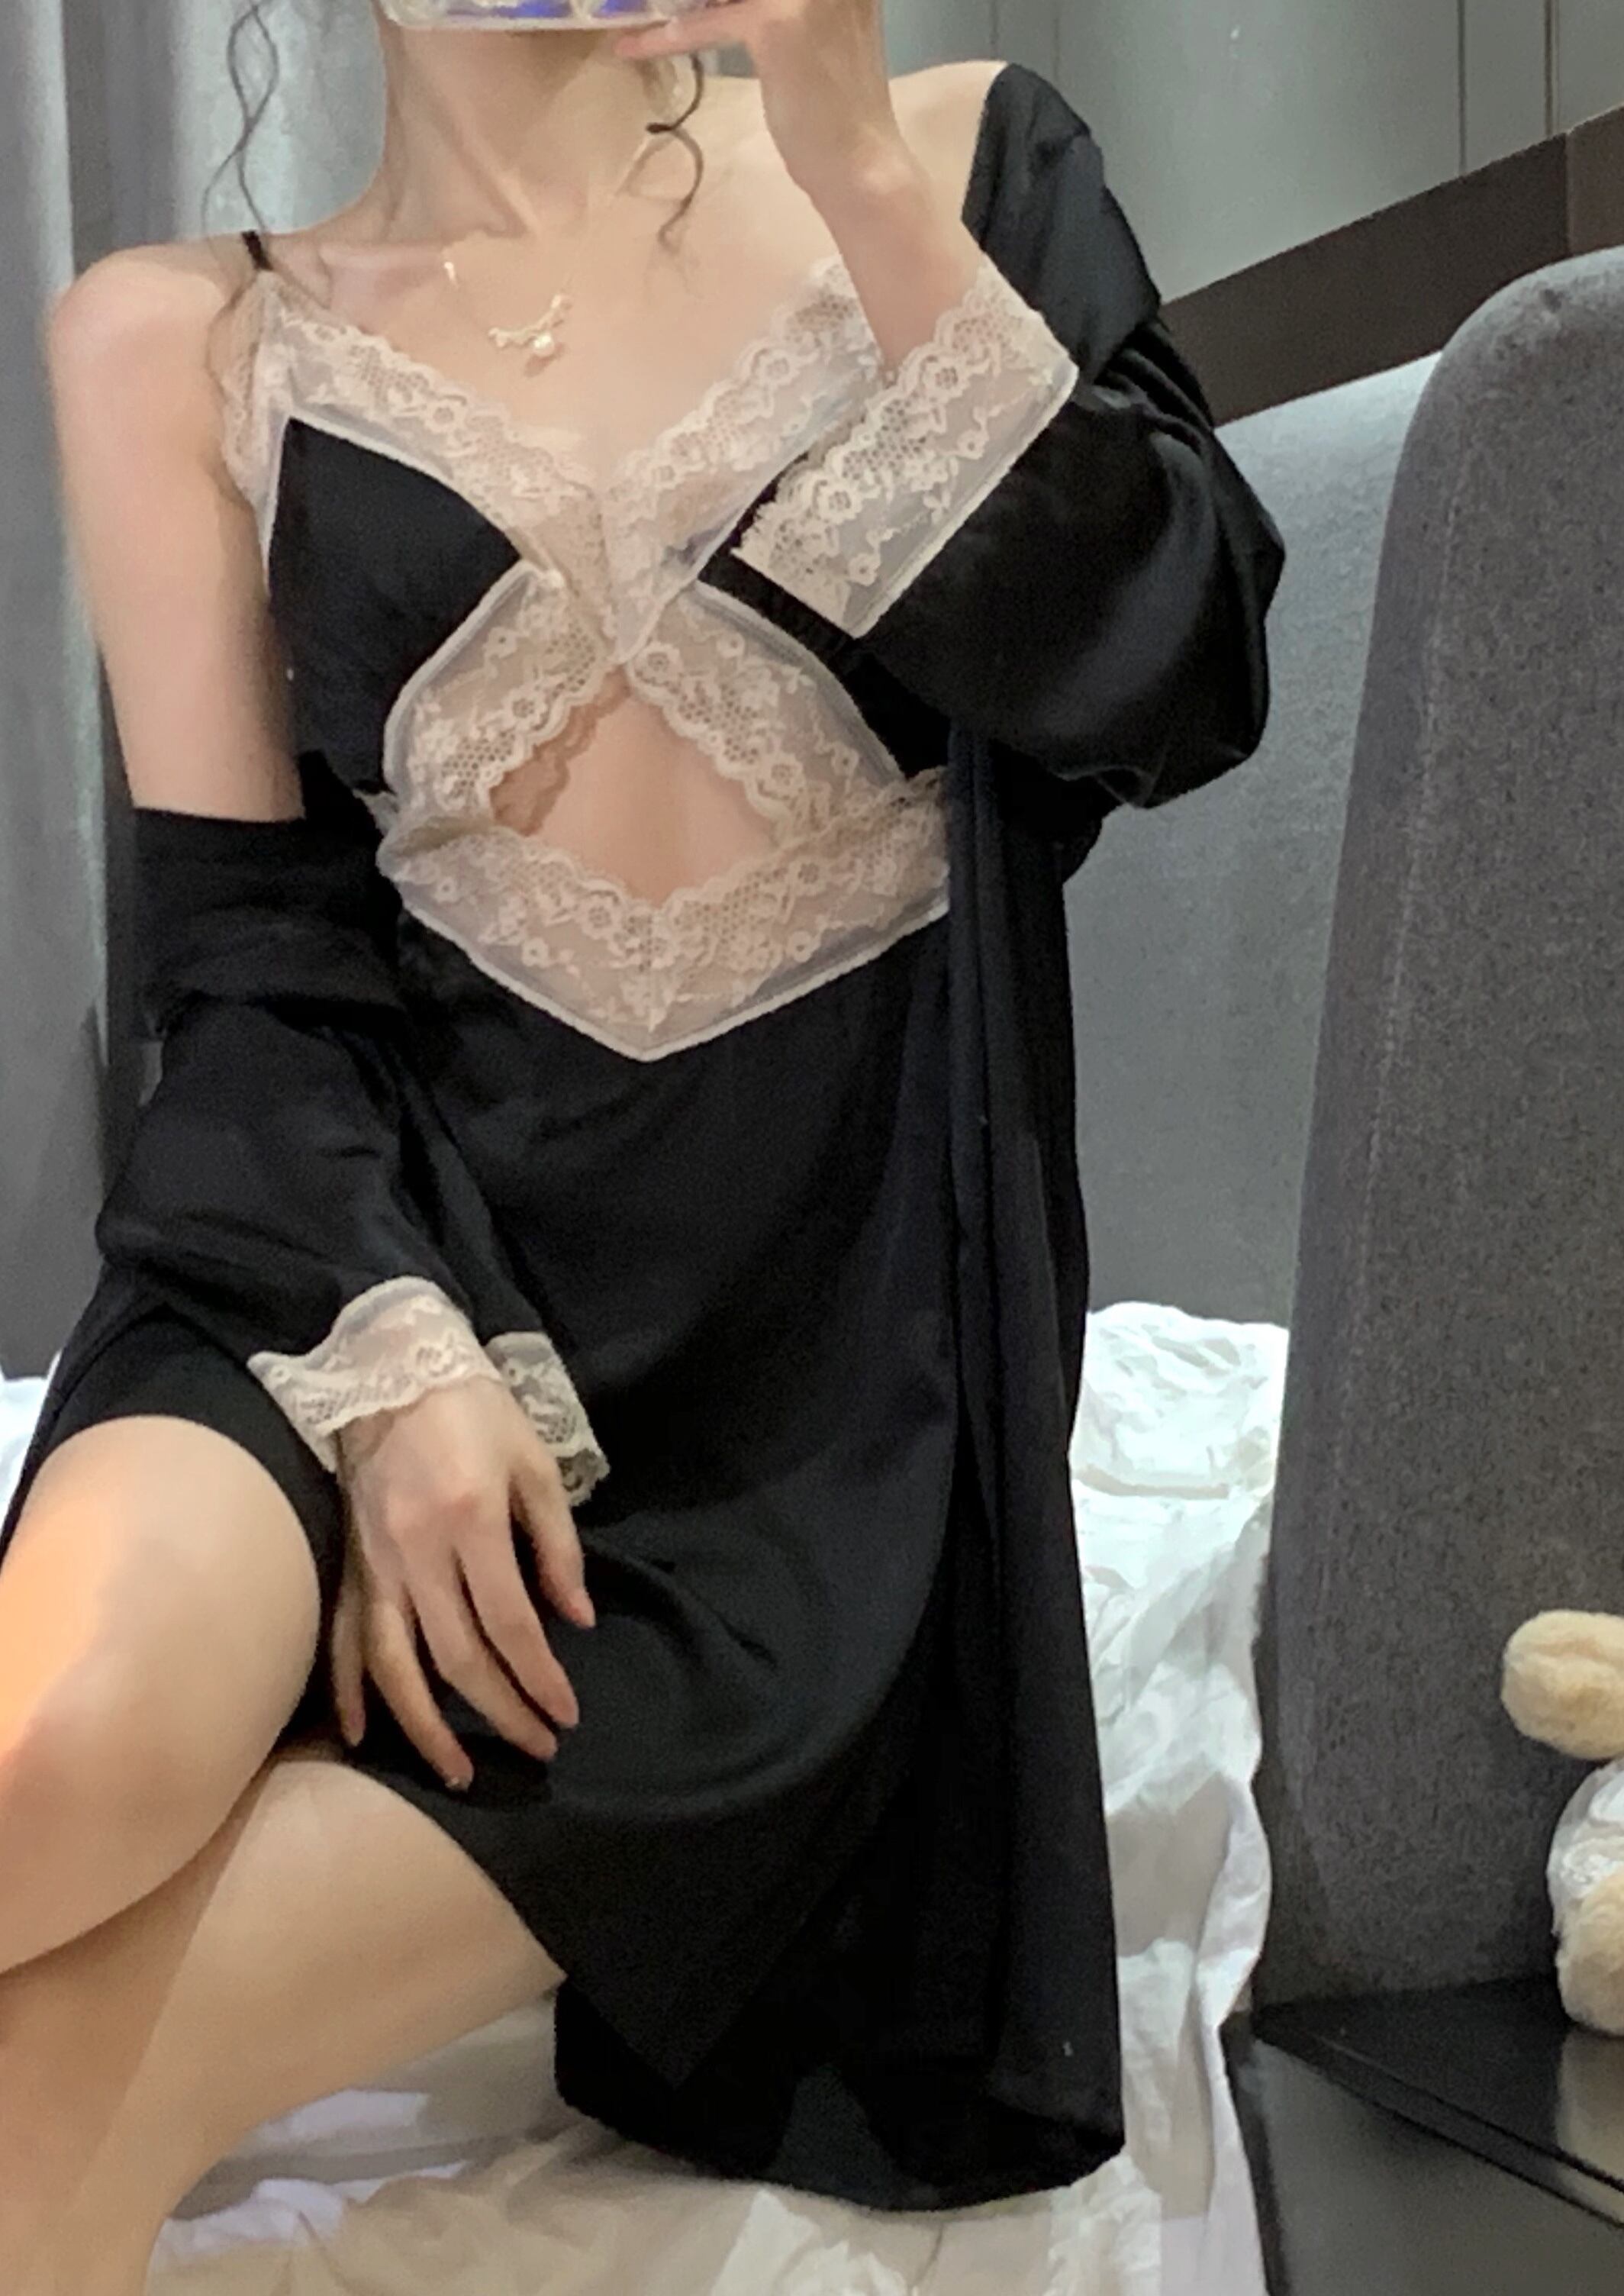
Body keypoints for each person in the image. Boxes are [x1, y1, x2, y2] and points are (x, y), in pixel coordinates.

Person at [0, 3, 1284, 2286]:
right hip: (333, 1272)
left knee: (53, 2074)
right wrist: (400, 1367)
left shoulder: (955, 157)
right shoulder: (175, 335)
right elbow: (250, 968)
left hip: (794, 1427)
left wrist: (851, 172)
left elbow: (1180, 675)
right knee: (51, 1757)